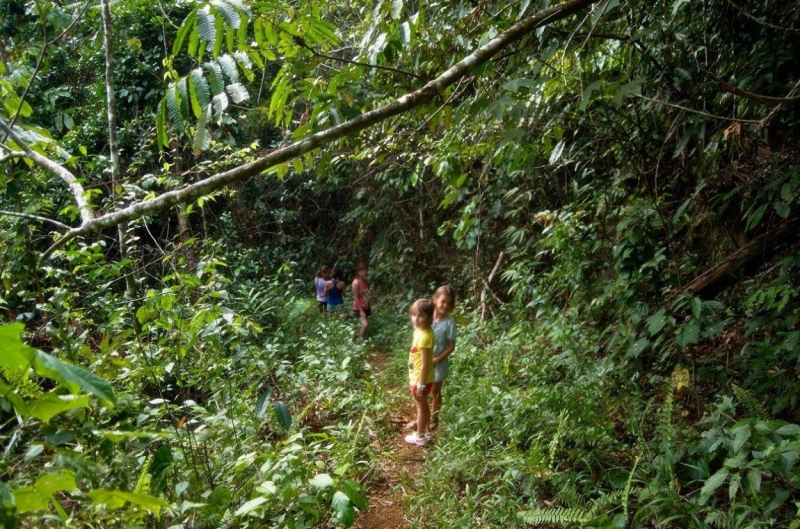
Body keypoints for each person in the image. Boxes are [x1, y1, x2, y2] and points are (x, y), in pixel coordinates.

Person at [405, 298, 435, 447]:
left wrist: (421, 386)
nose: (416, 319)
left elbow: (424, 365)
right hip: (417, 377)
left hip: (420, 379)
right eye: (414, 314)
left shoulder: (425, 336)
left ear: (429, 317)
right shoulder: (420, 331)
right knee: (423, 405)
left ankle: (420, 436)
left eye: (421, 316)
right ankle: (427, 432)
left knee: (420, 407)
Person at [430, 286, 457, 430]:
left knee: (435, 391)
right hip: (423, 362)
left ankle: (434, 418)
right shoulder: (427, 317)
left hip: (438, 364)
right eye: (443, 301)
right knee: (421, 391)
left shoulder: (449, 323)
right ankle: (420, 418)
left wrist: (437, 359)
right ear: (435, 300)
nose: (446, 305)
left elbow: (451, 346)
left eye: (449, 303)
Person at [351, 262, 371, 339]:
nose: (364, 273)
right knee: (365, 324)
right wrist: (361, 311)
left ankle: (361, 338)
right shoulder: (356, 283)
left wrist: (369, 303)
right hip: (358, 308)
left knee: (365, 325)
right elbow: (355, 297)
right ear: (358, 273)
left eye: (365, 271)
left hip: (366, 306)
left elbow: (367, 293)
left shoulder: (366, 281)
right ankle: (359, 343)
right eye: (361, 272)